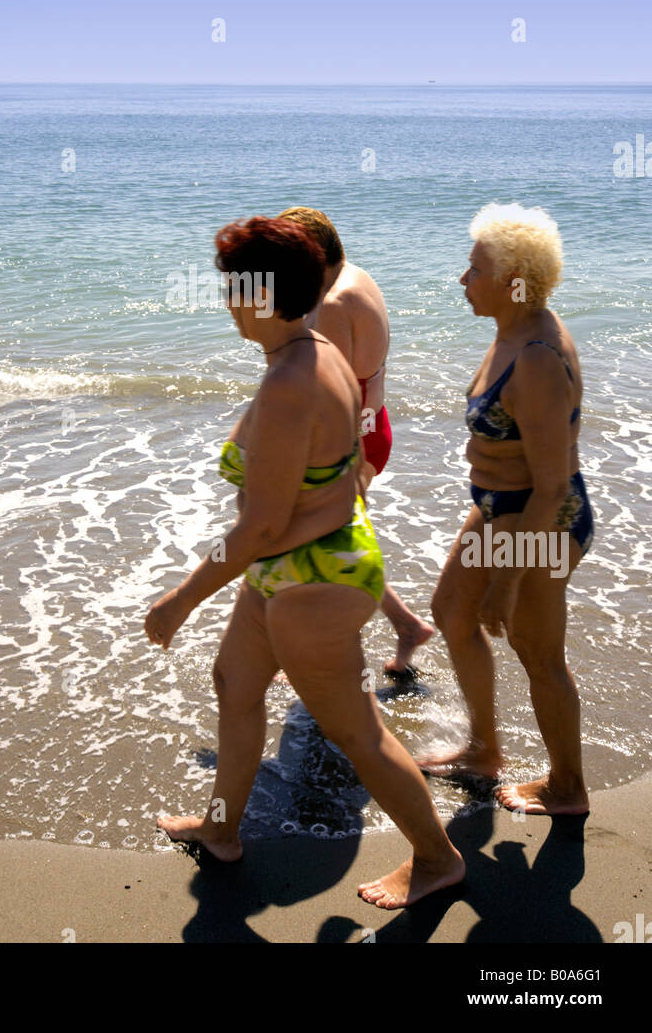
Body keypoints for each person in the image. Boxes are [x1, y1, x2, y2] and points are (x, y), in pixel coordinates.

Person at [145, 216, 465, 908]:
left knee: (357, 732)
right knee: (234, 681)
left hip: (315, 581)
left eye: (232, 287)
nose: (226, 299)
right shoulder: (312, 350)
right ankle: (223, 830)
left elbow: (260, 526)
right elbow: (339, 473)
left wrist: (181, 598)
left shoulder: (294, 378)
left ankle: (438, 859)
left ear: (261, 294)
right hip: (295, 570)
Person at [418, 203, 593, 816]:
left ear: (515, 280)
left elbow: (550, 487)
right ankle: (486, 750)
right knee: (450, 612)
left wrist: (508, 580)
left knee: (538, 654)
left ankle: (567, 787)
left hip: (542, 522)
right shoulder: (512, 328)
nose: (462, 279)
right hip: (499, 510)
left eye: (474, 268)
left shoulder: (538, 360)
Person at [278, 207, 432, 674]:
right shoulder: (356, 276)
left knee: (322, 535)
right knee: (336, 537)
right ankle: (401, 626)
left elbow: (331, 395)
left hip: (352, 439)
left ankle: (329, 650)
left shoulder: (333, 304)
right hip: (373, 424)